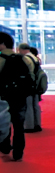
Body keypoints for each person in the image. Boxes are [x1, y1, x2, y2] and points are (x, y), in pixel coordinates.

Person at [0, 32, 34, 161]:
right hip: (20, 97)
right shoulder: (23, 59)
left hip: (4, 97)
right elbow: (31, 77)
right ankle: (18, 151)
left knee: (4, 122)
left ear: (2, 44)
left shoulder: (1, 59)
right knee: (19, 125)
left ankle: (5, 146)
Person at [18, 42, 42, 132]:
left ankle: (29, 126)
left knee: (28, 106)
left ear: (21, 49)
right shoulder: (35, 58)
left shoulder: (25, 58)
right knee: (35, 105)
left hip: (28, 85)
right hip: (35, 84)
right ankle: (37, 124)